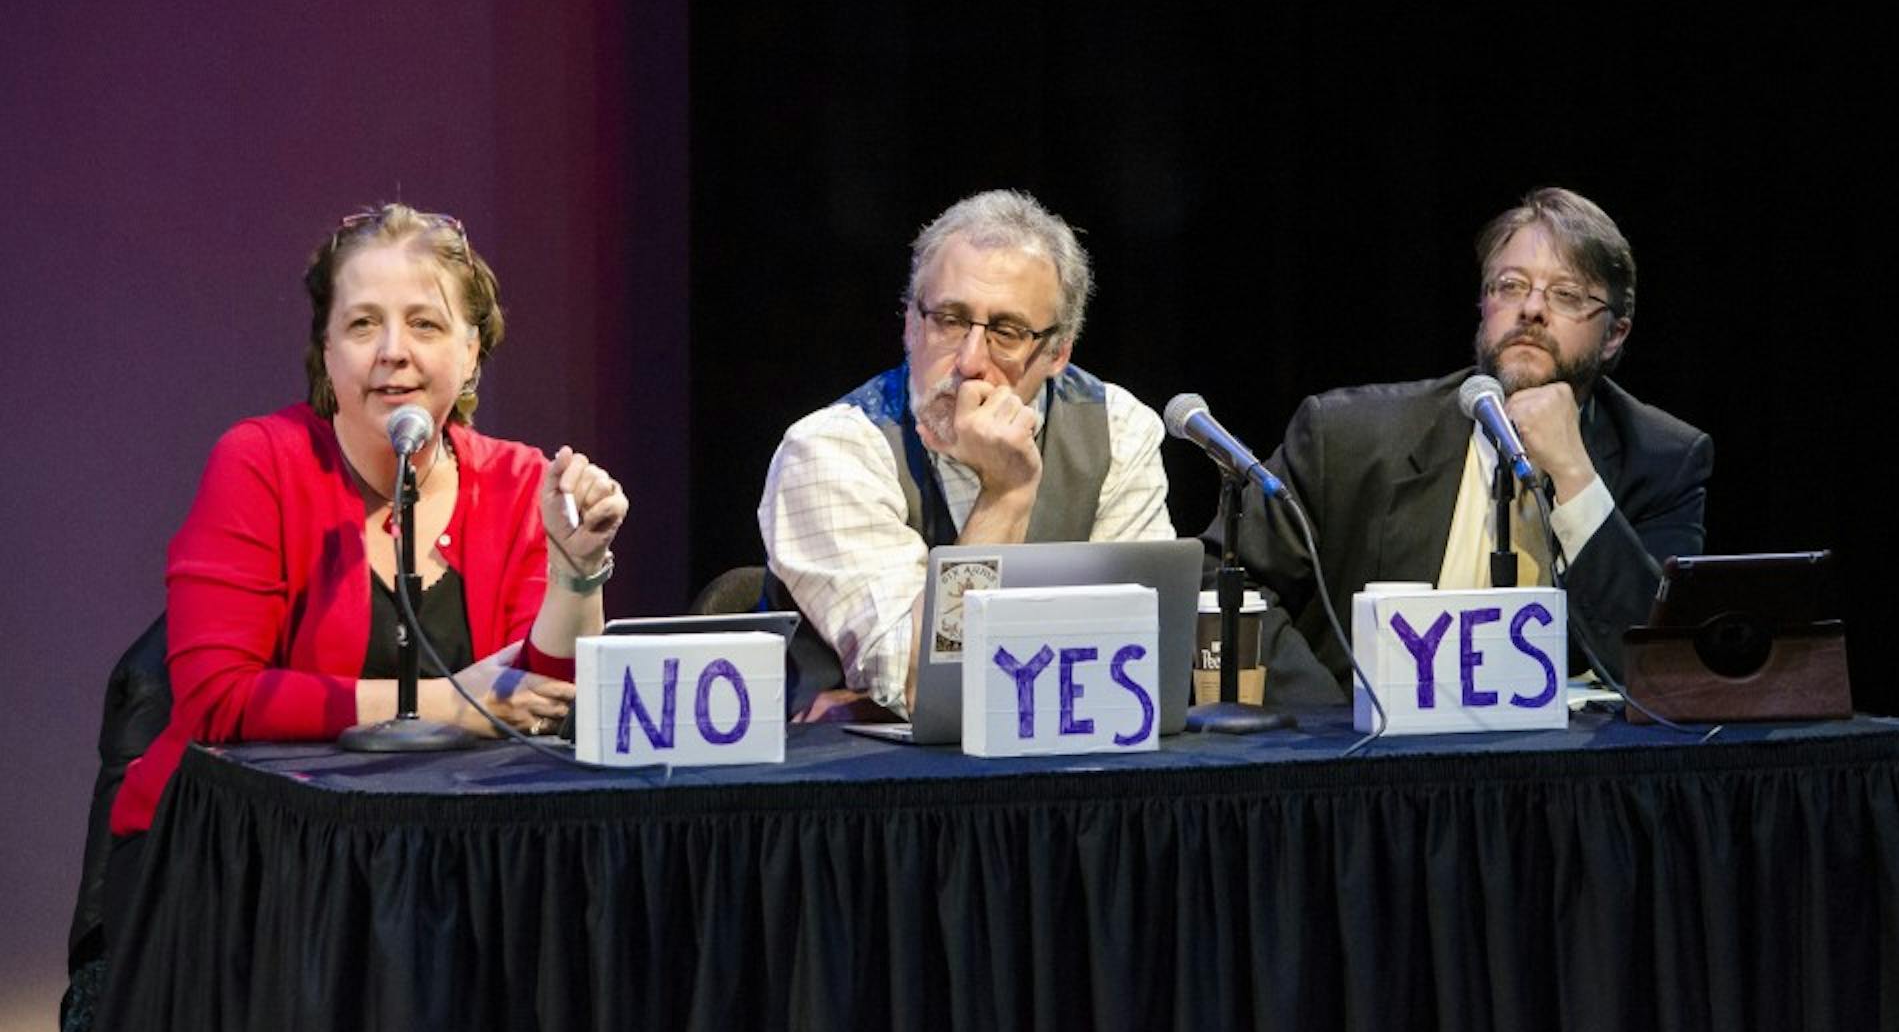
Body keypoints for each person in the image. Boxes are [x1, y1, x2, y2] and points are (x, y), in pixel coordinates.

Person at [105, 204, 629, 902]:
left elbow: (544, 706)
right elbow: (217, 701)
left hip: (450, 864)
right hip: (243, 865)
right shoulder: (260, 464)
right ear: (326, 352)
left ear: (471, 350)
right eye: (361, 324)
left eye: (425, 323)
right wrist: (445, 704)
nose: (392, 350)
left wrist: (577, 570)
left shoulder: (520, 482)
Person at [1216, 186, 1712, 692]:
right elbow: (1223, 576)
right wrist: (1325, 723)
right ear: (1484, 305)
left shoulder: (1664, 458)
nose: (1532, 309)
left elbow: (1661, 668)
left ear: (1614, 334)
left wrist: (1573, 474)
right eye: (1511, 286)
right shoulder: (1347, 436)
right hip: (1367, 755)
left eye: (1566, 295)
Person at [758, 189, 1175, 719]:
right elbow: (927, 687)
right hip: (872, 787)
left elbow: (1133, 663)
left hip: (1070, 781)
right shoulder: (831, 452)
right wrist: (1006, 493)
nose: (970, 361)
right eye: (949, 321)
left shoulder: (1117, 430)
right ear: (910, 323)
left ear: (1057, 354)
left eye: (1006, 331)